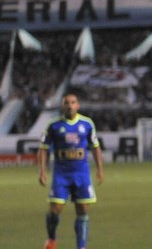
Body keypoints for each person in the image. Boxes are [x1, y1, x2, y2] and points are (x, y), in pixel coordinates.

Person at [38, 92, 105, 249]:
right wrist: (42, 171)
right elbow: (43, 149)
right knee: (55, 209)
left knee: (82, 211)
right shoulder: (53, 125)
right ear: (62, 105)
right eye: (67, 103)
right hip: (61, 174)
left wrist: (100, 170)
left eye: (73, 102)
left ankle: (81, 247)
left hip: (81, 174)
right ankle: (52, 240)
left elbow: (95, 147)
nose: (70, 105)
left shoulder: (87, 124)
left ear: (78, 105)